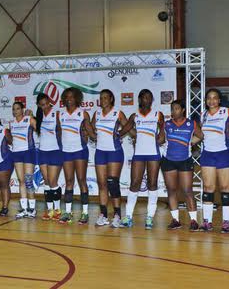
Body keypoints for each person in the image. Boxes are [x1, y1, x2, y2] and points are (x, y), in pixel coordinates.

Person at [118, 89, 165, 229]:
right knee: (135, 183)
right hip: (138, 153)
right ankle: (128, 217)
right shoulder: (134, 116)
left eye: (150, 97)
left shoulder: (158, 114)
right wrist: (113, 134)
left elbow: (162, 134)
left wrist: (161, 137)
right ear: (139, 99)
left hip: (153, 153)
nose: (147, 100)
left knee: (152, 183)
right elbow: (124, 130)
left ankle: (150, 218)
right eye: (144, 97)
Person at [161, 100, 203, 231]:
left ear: (183, 110)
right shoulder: (166, 124)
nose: (174, 111)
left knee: (187, 191)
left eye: (177, 109)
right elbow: (161, 139)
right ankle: (175, 220)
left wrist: (189, 143)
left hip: (185, 160)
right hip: (168, 160)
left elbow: (200, 136)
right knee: (172, 190)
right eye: (172, 109)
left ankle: (194, 221)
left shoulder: (191, 123)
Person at [199, 88, 229, 233]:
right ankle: (207, 222)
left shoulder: (227, 111)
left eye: (215, 98)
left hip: (224, 153)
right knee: (208, 189)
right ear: (206, 101)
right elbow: (201, 136)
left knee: (226, 189)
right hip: (208, 154)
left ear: (219, 100)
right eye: (209, 98)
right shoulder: (203, 115)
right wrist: (186, 143)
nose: (212, 100)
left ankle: (227, 222)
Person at [59, 88, 96, 225]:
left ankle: (85, 213)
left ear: (77, 98)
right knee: (69, 181)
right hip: (66, 151)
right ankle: (68, 212)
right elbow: (58, 132)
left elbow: (91, 132)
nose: (69, 99)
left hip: (80, 151)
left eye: (72, 97)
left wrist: (97, 136)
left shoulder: (83, 114)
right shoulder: (60, 115)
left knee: (81, 180)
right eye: (66, 97)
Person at [92, 89, 128, 228]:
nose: (103, 100)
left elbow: (128, 127)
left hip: (114, 151)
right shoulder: (97, 113)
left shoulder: (117, 113)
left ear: (111, 99)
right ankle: (103, 215)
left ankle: (118, 215)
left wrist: (122, 134)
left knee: (113, 184)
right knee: (102, 184)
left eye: (106, 97)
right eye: (101, 98)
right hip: (100, 152)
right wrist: (91, 135)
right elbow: (91, 128)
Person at [35, 93, 63, 221]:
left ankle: (57, 210)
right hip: (42, 151)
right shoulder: (38, 116)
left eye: (46, 103)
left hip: (55, 151)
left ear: (49, 102)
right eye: (42, 105)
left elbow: (62, 130)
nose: (45, 106)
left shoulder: (56, 113)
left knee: (52, 181)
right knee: (46, 182)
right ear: (39, 105)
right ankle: (50, 210)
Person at [9, 101, 37, 219]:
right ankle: (24, 208)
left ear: (22, 109)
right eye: (14, 109)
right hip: (17, 153)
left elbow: (38, 128)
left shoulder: (28, 119)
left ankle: (32, 209)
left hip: (28, 152)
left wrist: (32, 116)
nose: (15, 111)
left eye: (18, 109)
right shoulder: (11, 123)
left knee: (28, 180)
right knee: (21, 181)